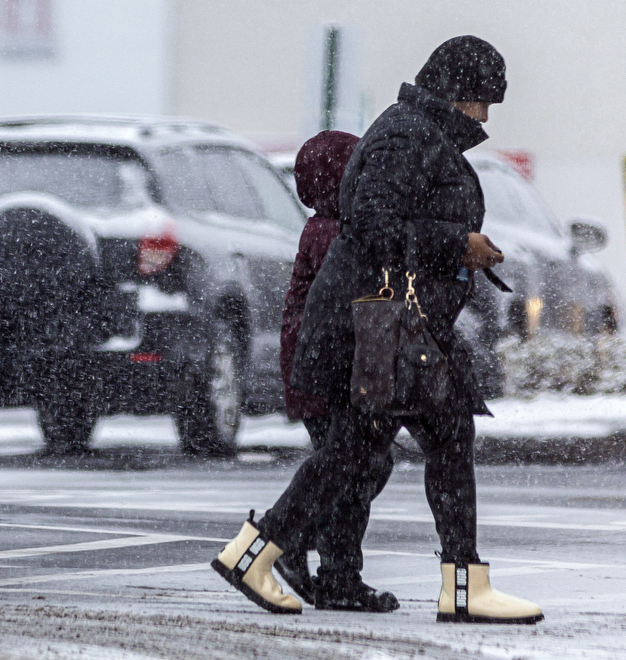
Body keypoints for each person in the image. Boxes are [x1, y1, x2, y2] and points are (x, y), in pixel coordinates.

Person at [213, 36, 544, 624]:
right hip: (374, 329)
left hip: (395, 329)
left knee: (416, 443)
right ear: (453, 91)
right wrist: (455, 243)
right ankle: (261, 553)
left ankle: (457, 583)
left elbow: (392, 224)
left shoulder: (419, 133)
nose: (485, 117)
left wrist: (456, 250)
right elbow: (370, 223)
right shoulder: (406, 135)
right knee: (366, 449)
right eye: (480, 102)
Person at [273, 130, 397, 612]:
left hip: (320, 366)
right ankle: (318, 558)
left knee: (358, 463)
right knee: (353, 462)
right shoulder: (334, 232)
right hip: (326, 370)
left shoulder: (332, 226)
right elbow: (350, 304)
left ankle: (327, 562)